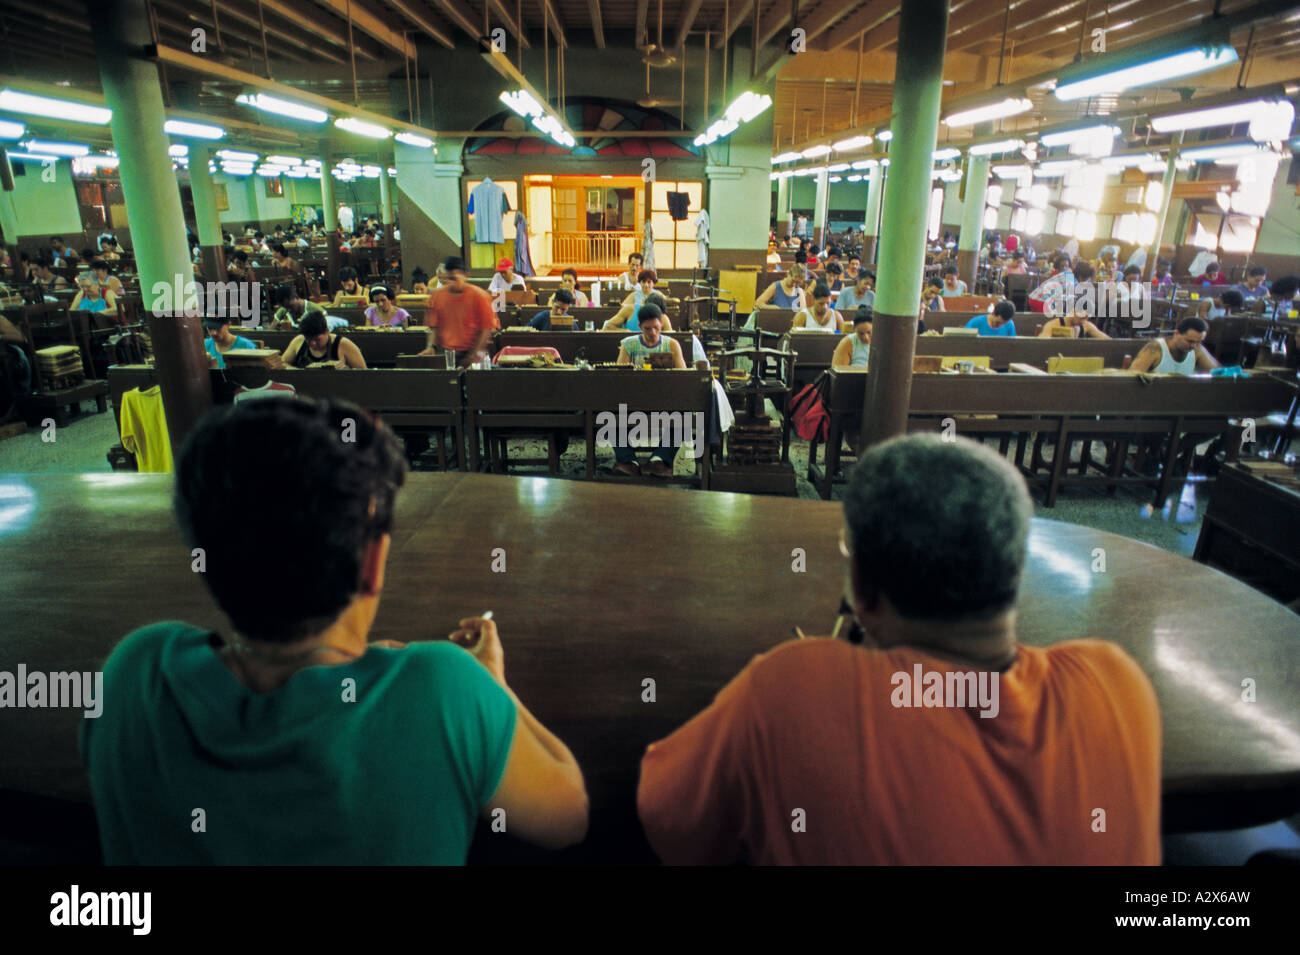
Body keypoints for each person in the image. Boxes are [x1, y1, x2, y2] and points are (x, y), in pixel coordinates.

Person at [82, 397, 588, 864]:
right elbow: (570, 817)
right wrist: (492, 687)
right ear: (373, 561)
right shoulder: (444, 687)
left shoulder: (133, 673)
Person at [636, 434, 1161, 865]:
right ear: (1015, 574)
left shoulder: (791, 688)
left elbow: (669, 823)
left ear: (861, 587)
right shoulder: (1115, 680)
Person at [612, 305, 687, 477]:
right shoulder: (629, 345)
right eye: (647, 328)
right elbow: (619, 377)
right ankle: (628, 461)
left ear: (661, 325)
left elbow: (684, 377)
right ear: (639, 327)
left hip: (665, 401)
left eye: (656, 327)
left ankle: (660, 460)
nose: (653, 332)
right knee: (606, 411)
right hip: (633, 401)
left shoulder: (672, 345)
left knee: (686, 414)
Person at [420, 256, 498, 367]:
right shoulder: (436, 296)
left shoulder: (480, 296)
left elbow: (485, 330)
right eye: (449, 279)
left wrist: (472, 356)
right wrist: (430, 347)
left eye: (454, 279)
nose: (451, 283)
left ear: (465, 276)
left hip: (473, 353)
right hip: (446, 353)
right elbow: (433, 326)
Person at [1129, 316, 1219, 375]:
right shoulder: (1155, 349)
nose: (1194, 346)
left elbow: (1219, 374)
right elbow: (1131, 378)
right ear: (1176, 333)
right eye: (1189, 341)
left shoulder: (1197, 350)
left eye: (1199, 342)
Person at [282, 313, 367, 369]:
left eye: (317, 339)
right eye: (308, 339)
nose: (312, 343)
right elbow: (282, 364)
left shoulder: (344, 344)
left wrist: (345, 370)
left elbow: (364, 374)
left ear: (327, 331)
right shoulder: (298, 341)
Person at [603, 270, 672, 331]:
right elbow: (622, 306)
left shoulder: (659, 296)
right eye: (643, 282)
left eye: (649, 282)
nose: (646, 285)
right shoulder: (632, 302)